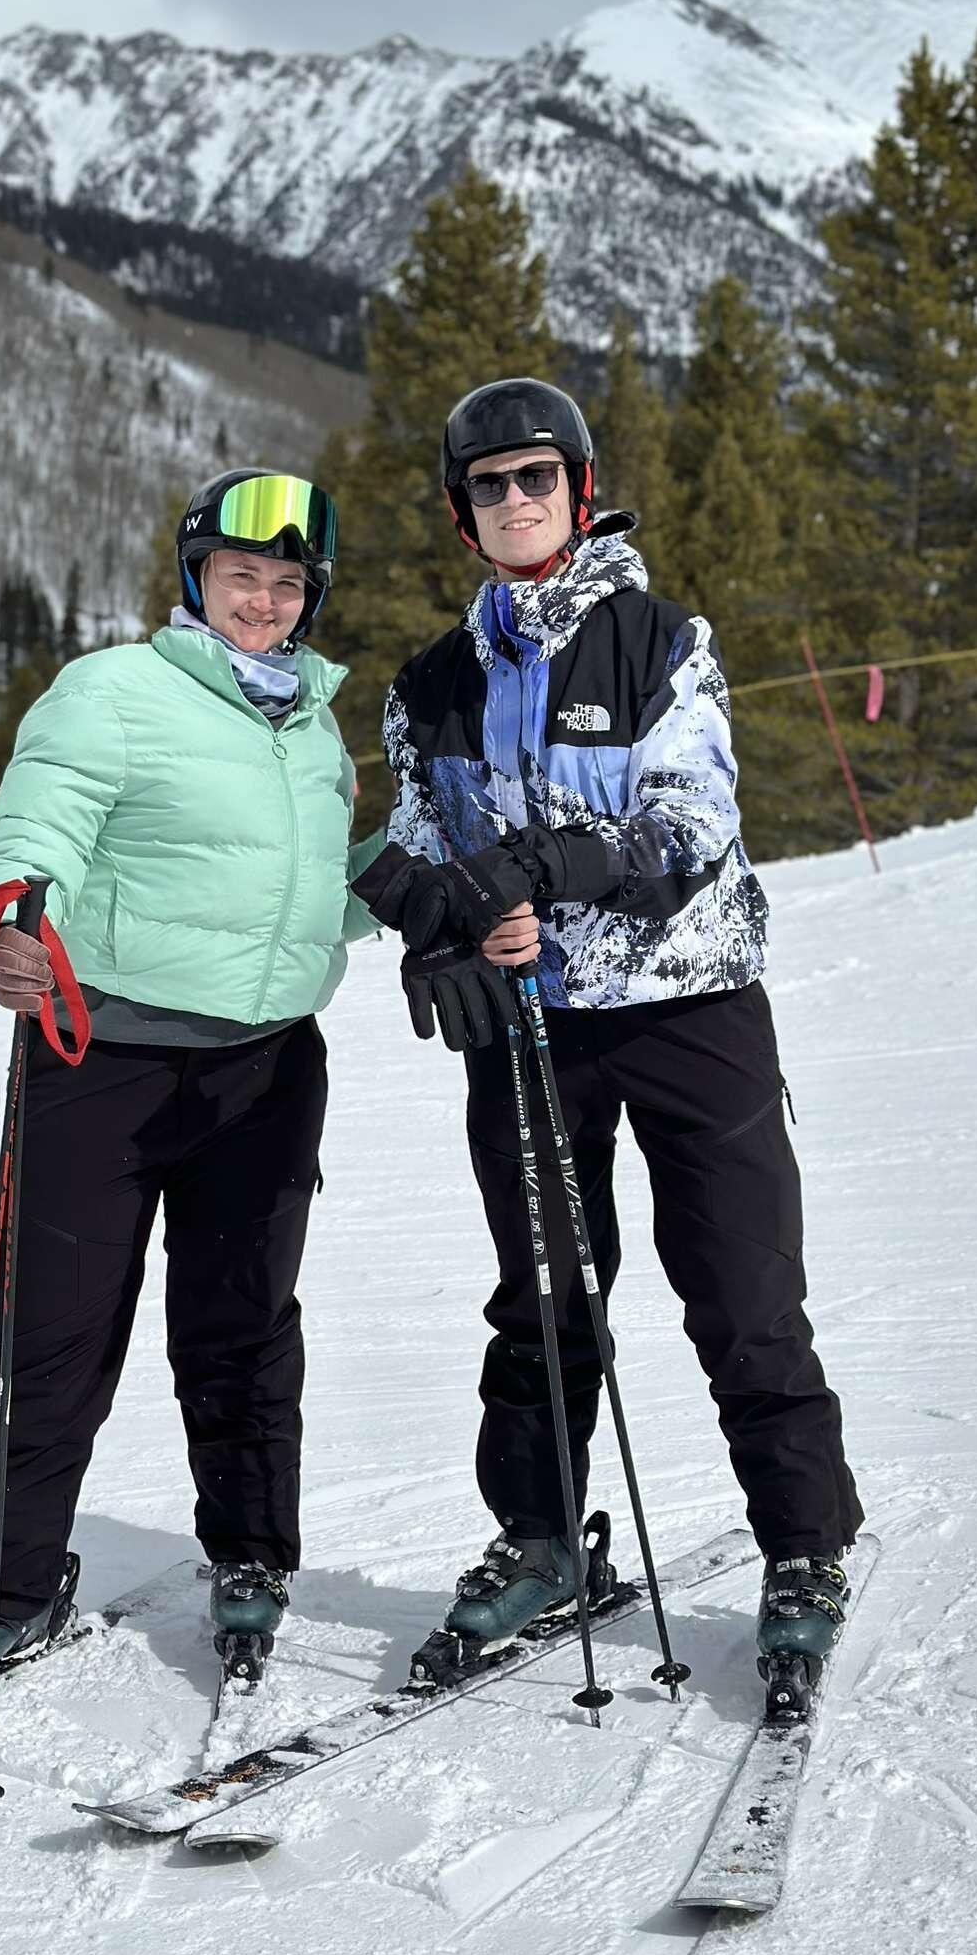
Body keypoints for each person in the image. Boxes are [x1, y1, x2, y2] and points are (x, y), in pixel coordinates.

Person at [353, 378, 862, 1677]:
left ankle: (804, 1547)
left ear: (581, 491)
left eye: (538, 476)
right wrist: (436, 931)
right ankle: (542, 1543)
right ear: (462, 514)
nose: (515, 499)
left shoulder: (660, 643)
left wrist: (538, 868)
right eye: (489, 485)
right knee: (541, 1297)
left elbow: (690, 825)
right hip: (532, 1028)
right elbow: (416, 847)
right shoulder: (429, 687)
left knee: (741, 1292)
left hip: (689, 1007)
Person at [0, 468, 381, 1696]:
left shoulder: (313, 728)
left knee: (244, 1328)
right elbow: (38, 824)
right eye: (240, 575)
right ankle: (1, 1595)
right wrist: (11, 909)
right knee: (50, 1333)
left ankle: (253, 1555)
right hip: (100, 1059)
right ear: (194, 579)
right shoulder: (112, 690)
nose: (263, 600)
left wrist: (410, 881)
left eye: (288, 583)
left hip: (268, 1070)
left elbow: (299, 900)